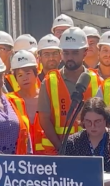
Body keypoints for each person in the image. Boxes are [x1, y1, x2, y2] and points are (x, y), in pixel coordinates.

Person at [38, 27, 103, 155]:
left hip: (91, 154)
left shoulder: (97, 81)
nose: (69, 57)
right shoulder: (49, 82)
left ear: (85, 52)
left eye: (74, 53)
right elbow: (44, 119)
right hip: (58, 153)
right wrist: (62, 148)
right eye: (66, 53)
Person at [11, 50, 44, 154]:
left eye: (28, 73)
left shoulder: (47, 97)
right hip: (23, 160)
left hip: (48, 158)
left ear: (36, 73)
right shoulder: (10, 100)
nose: (25, 78)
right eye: (20, 75)